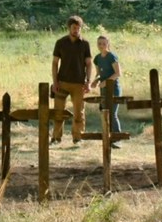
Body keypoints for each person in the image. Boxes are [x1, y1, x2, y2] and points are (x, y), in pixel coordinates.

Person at [51, 15, 94, 145]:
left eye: (78, 28)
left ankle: (78, 138)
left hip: (79, 84)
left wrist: (88, 81)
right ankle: (56, 138)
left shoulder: (85, 44)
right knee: (58, 112)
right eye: (74, 28)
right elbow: (54, 63)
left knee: (78, 113)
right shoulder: (60, 42)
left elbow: (89, 64)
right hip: (62, 82)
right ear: (69, 27)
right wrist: (55, 81)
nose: (76, 30)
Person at [90, 35, 123, 149]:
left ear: (108, 44)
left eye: (104, 43)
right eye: (99, 43)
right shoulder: (97, 58)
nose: (101, 46)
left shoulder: (112, 56)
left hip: (114, 89)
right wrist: (96, 80)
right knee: (105, 113)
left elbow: (118, 73)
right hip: (103, 89)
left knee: (113, 114)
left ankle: (117, 139)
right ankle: (108, 137)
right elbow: (99, 73)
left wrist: (106, 81)